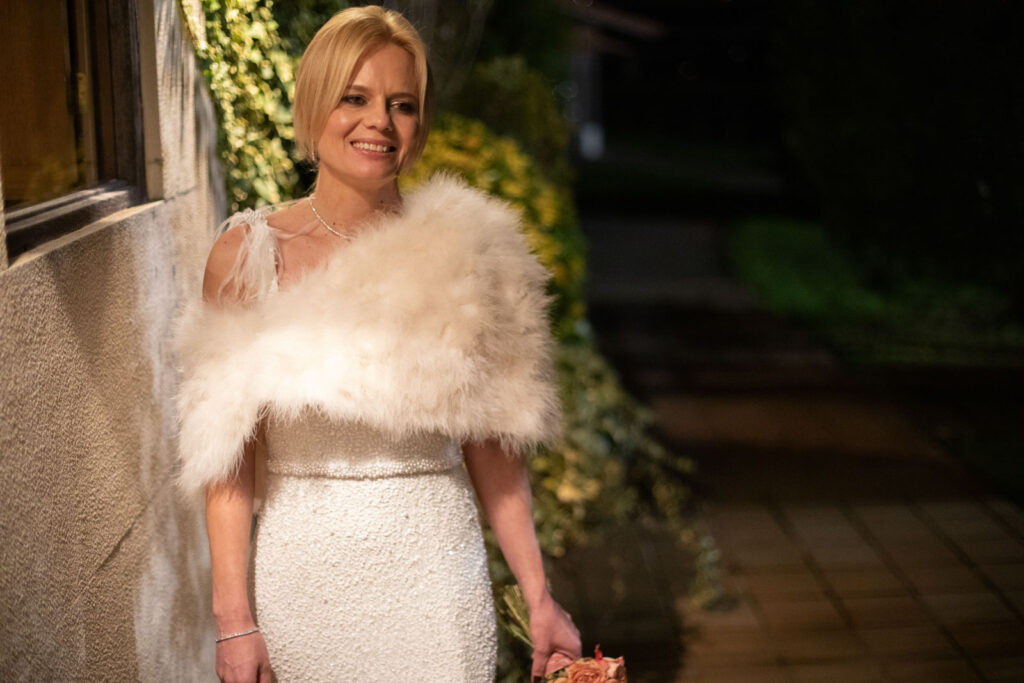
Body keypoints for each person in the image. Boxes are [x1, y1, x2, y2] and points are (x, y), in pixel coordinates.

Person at [173, 6, 581, 682]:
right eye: (354, 98)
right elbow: (227, 461)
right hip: (302, 583)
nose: (379, 123)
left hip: (436, 579)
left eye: (402, 104)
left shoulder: (470, 248)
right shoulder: (248, 256)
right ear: (313, 108)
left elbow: (495, 446)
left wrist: (539, 595)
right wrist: (233, 620)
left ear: (420, 125)